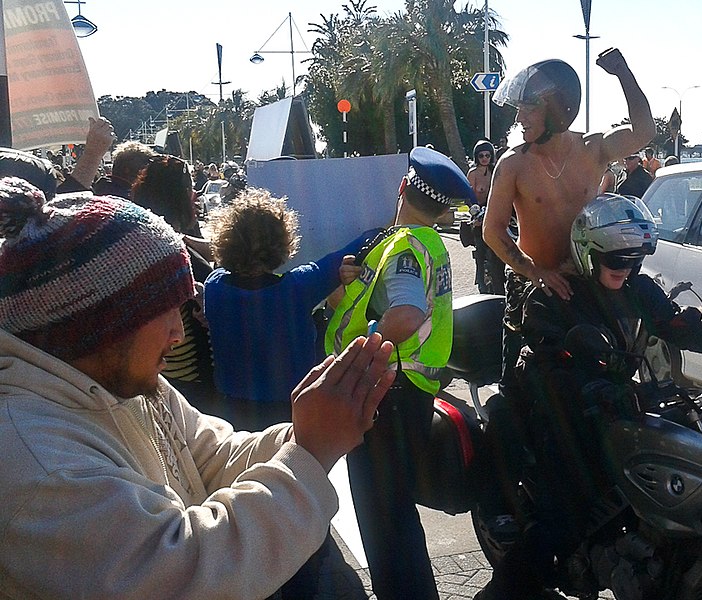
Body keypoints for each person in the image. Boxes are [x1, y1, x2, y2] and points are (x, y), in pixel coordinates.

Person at [0, 176, 396, 599]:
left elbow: (213, 453)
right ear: (100, 323)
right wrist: (313, 450)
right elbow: (179, 573)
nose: (179, 332)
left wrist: (307, 432)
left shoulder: (124, 385)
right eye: (166, 311)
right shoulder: (37, 460)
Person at [474, 194, 702, 599]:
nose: (626, 269)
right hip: (563, 419)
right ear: (589, 254)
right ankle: (505, 588)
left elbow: (683, 326)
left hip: (617, 406)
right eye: (616, 260)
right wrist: (594, 388)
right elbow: (537, 366)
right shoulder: (554, 297)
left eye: (634, 260)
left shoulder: (637, 288)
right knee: (566, 519)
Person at [325, 146, 474, 600]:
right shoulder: (428, 243)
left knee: (383, 517)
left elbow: (406, 313)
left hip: (387, 390)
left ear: (404, 187)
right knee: (396, 513)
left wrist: (364, 345)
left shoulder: (405, 245)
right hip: (409, 390)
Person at [482, 49, 655, 397]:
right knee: (516, 390)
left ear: (558, 109)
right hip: (533, 286)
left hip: (584, 282)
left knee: (603, 381)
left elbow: (644, 131)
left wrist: (623, 72)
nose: (520, 117)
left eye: (529, 107)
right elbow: (492, 230)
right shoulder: (512, 163)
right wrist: (534, 272)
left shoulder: (594, 149)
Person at [203, 189, 374, 428]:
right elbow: (359, 245)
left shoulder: (214, 286)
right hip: (291, 413)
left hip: (230, 413)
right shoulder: (297, 288)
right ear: (281, 243)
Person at [130, 155, 218, 411]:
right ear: (179, 196)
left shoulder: (142, 239)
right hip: (191, 376)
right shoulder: (173, 253)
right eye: (190, 189)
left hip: (164, 371)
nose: (195, 196)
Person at [468, 140, 505, 293]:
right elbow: (468, 196)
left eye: (487, 155)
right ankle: (482, 285)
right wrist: (475, 211)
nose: (484, 158)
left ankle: (500, 283)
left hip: (495, 214)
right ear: (477, 156)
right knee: (481, 250)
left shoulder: (495, 171)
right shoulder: (473, 173)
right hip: (479, 215)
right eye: (481, 155)